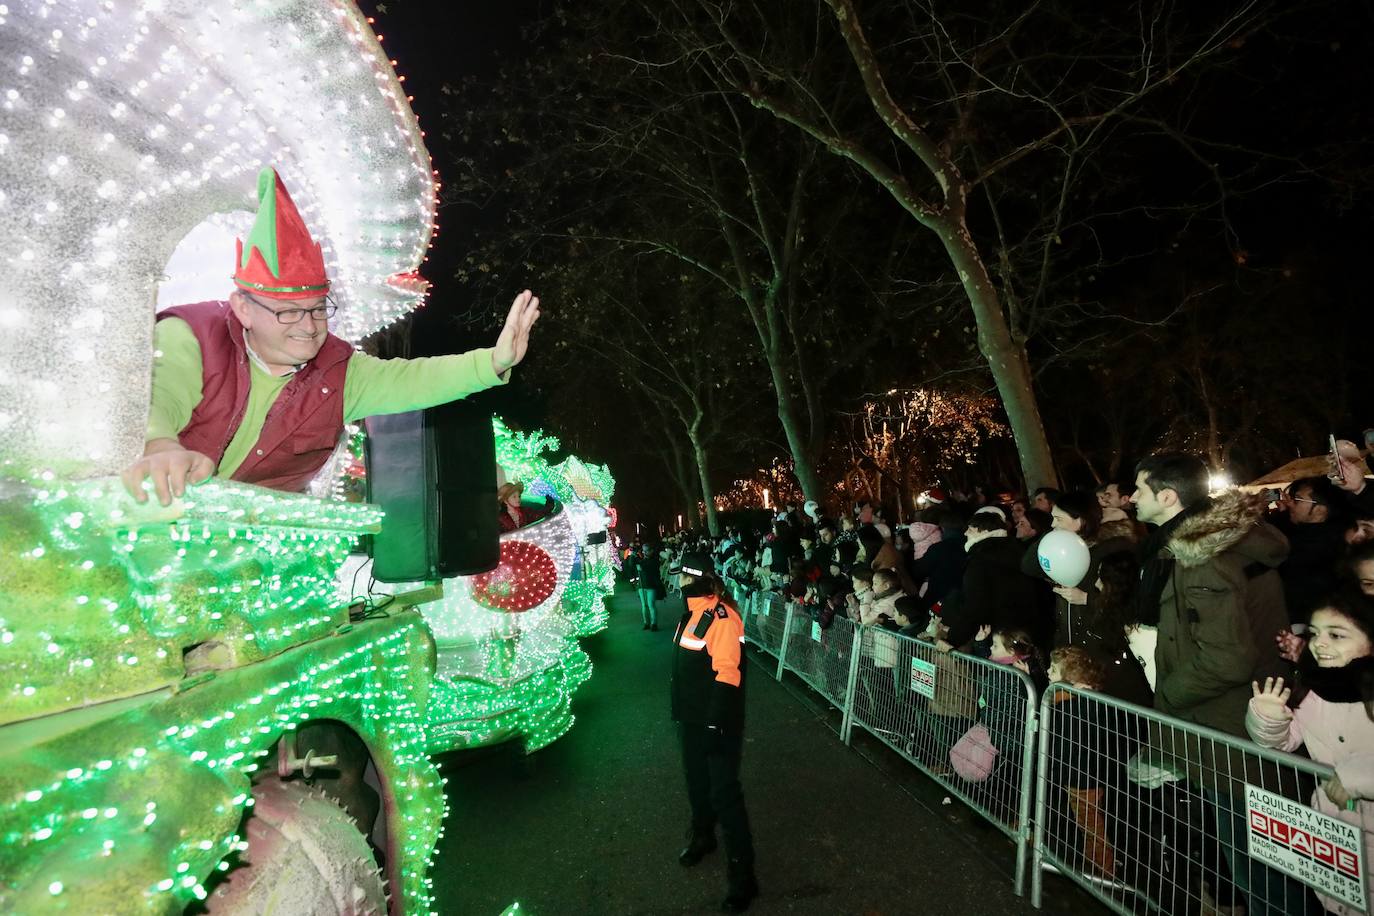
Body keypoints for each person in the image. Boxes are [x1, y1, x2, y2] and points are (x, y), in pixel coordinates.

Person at [121, 167, 540, 505]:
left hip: (247, 545)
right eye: (288, 311)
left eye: (319, 309)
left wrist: (494, 361)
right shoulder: (190, 334)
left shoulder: (339, 370)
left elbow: (414, 379)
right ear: (243, 308)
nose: (308, 326)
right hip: (152, 511)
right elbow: (158, 397)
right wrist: (160, 448)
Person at [1132, 453, 1304, 916]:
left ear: (1167, 496)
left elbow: (1225, 659)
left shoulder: (1203, 556)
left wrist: (1166, 694)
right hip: (1237, 724)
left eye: (1140, 490)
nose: (1131, 499)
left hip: (1229, 733)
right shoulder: (1214, 544)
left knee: (1259, 870)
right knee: (1256, 861)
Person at [1247, 589, 1374, 916]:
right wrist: (1267, 718)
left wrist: (1355, 776)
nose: (1319, 643)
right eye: (1315, 634)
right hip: (1335, 837)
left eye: (1337, 635)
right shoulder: (1313, 692)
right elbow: (1283, 742)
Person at [669, 552, 758, 913]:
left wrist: (714, 723)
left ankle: (744, 878)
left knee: (725, 795)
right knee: (696, 782)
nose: (675, 580)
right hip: (691, 719)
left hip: (716, 723)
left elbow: (728, 674)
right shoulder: (691, 611)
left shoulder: (720, 617)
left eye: (679, 575)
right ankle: (703, 836)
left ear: (688, 578)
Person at [637, 543, 665, 631]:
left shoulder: (655, 560)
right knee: (644, 605)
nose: (645, 552)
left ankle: (654, 624)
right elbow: (633, 567)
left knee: (651, 605)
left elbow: (652, 569)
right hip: (642, 586)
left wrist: (641, 566)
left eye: (647, 550)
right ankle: (646, 623)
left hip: (651, 585)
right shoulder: (641, 560)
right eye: (643, 550)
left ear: (651, 551)